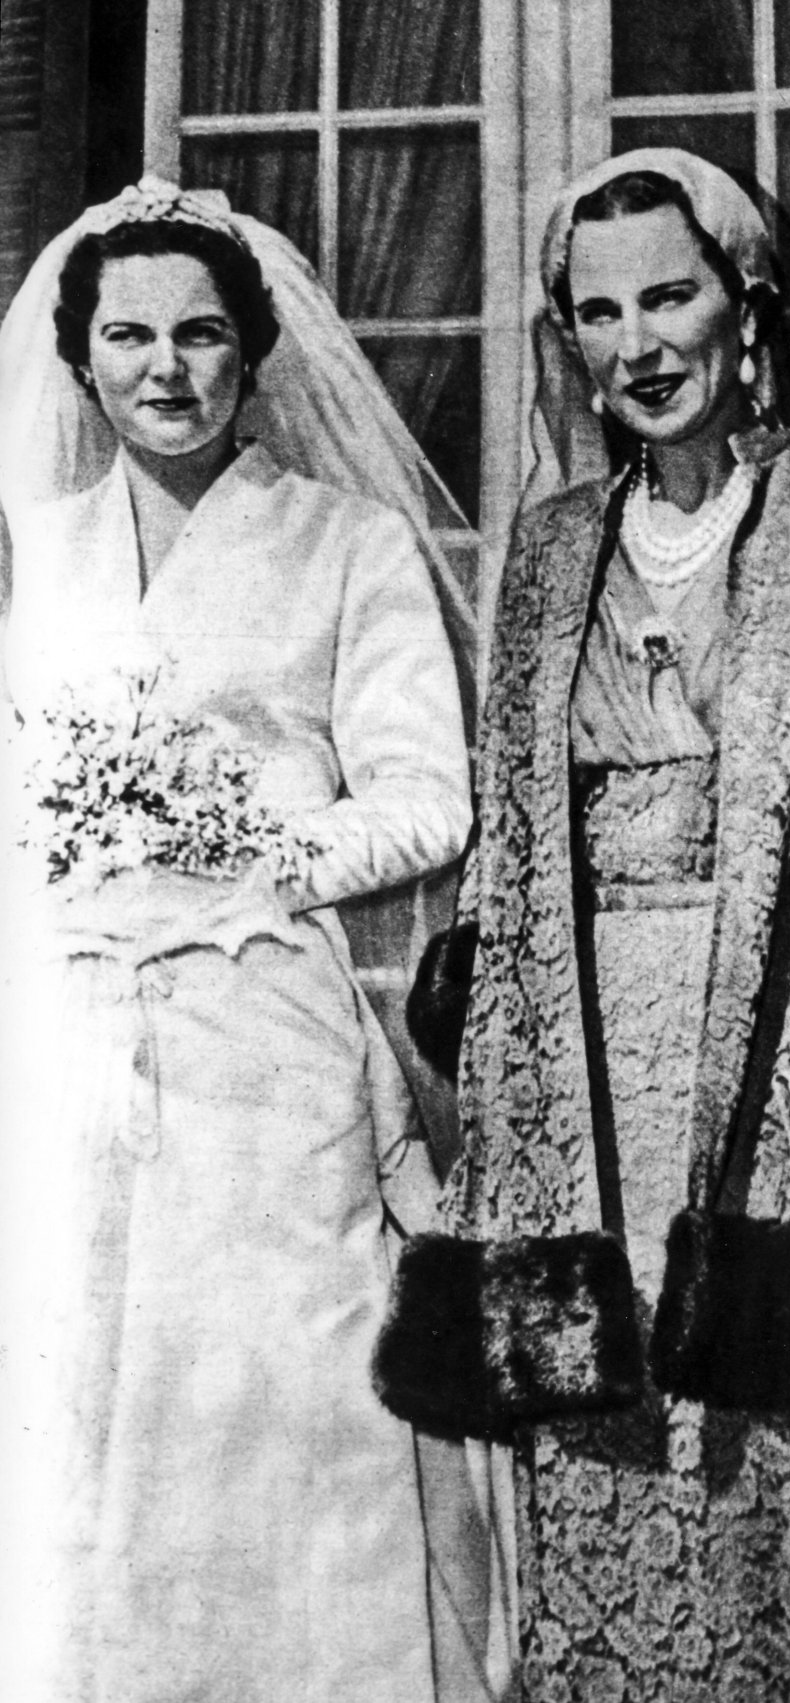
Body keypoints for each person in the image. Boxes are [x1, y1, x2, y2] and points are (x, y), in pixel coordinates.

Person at [393, 149, 790, 1702]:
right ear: (567, 339)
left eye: (670, 295)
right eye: (599, 311)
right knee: (602, 1491)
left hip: (778, 1068)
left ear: (743, 298)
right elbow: (510, 854)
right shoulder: (553, 548)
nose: (638, 343)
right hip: (582, 1105)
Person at [0, 179, 472, 1702]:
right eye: (127, 334)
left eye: (201, 334)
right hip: (68, 1043)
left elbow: (427, 801)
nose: (166, 369)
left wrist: (257, 845)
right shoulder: (34, 555)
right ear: (79, 358)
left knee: (280, 1412)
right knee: (87, 1428)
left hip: (267, 1032)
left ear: (253, 350)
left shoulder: (347, 542)